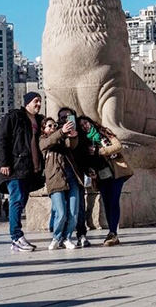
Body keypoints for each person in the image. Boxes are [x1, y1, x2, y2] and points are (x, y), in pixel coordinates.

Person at [0, 92, 45, 252]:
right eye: (35, 101)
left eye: (40, 101)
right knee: (16, 200)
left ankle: (16, 239)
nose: (38, 104)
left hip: (30, 169)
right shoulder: (15, 116)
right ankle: (16, 237)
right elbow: (3, 139)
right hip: (15, 167)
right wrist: (4, 163)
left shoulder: (39, 120)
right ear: (27, 103)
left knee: (22, 201)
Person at [79, 116, 134, 246]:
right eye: (81, 125)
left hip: (116, 172)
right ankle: (112, 233)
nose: (85, 126)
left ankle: (113, 232)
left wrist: (100, 151)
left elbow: (118, 146)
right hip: (100, 176)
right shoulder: (83, 141)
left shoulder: (103, 132)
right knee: (107, 203)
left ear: (90, 122)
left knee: (114, 201)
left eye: (86, 122)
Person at [57, 106, 95, 247]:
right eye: (63, 118)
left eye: (69, 117)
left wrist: (88, 168)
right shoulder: (56, 131)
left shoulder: (79, 133)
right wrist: (62, 132)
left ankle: (81, 234)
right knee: (60, 207)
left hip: (77, 172)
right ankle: (60, 236)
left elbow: (84, 153)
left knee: (78, 206)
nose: (66, 120)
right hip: (60, 174)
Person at [40, 117, 80, 249]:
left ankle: (67, 237)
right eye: (49, 126)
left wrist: (73, 136)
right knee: (61, 212)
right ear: (44, 129)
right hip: (55, 179)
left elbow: (72, 145)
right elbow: (47, 143)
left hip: (71, 178)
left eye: (54, 125)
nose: (52, 128)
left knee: (73, 212)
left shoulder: (62, 140)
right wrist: (61, 132)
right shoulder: (43, 141)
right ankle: (56, 237)